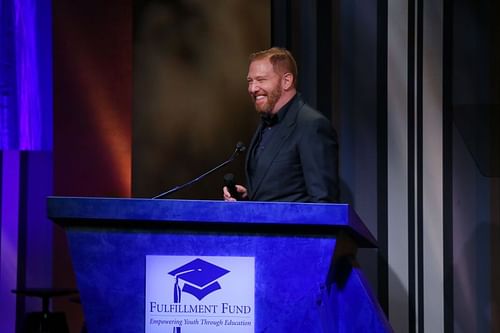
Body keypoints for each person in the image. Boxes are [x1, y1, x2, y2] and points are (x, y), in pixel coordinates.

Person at [223, 47, 339, 202]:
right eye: (250, 81)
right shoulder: (265, 124)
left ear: (287, 81)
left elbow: (323, 203)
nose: (253, 88)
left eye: (261, 80)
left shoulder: (311, 125)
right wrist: (248, 200)